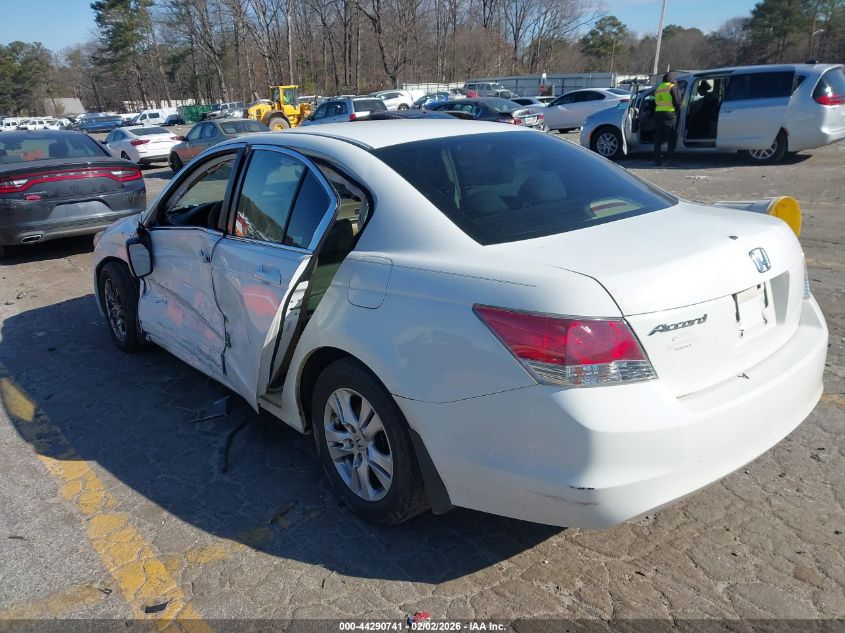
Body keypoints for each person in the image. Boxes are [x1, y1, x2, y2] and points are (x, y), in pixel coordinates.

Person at [653, 72, 681, 166]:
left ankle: (657, 160)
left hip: (658, 114)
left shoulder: (658, 88)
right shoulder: (672, 87)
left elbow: (655, 102)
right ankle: (670, 160)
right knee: (671, 137)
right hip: (669, 114)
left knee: (659, 138)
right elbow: (677, 102)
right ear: (672, 79)